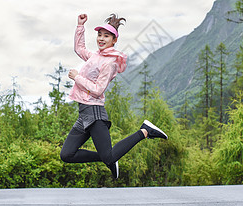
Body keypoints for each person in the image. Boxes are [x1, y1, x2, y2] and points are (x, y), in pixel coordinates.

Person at [60, 13, 168, 179]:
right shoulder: (95, 56)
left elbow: (98, 90)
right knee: (67, 155)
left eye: (106, 36)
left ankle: (144, 131)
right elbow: (79, 49)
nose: (101, 39)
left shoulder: (109, 63)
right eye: (99, 35)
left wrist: (77, 77)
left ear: (114, 40)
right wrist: (80, 26)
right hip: (84, 114)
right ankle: (108, 159)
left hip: (94, 113)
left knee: (109, 156)